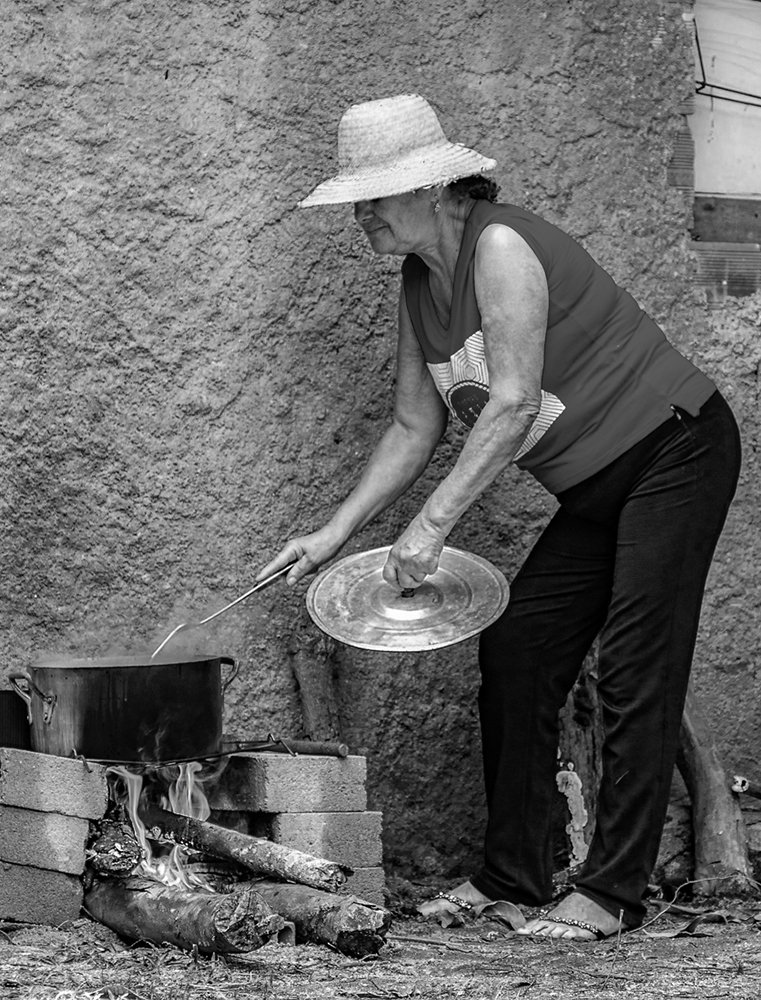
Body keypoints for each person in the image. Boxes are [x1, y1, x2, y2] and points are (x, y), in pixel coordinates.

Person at [256, 93, 741, 940]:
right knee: (520, 649)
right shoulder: (419, 283)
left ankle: (611, 894)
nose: (361, 216)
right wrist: (333, 534)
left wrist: (430, 527)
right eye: (355, 201)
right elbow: (413, 425)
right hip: (595, 487)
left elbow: (512, 402)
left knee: (635, 667)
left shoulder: (502, 246)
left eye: (374, 197)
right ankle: (513, 875)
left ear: (432, 188)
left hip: (674, 451)